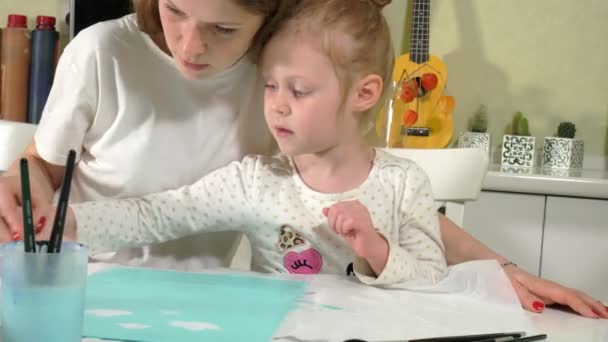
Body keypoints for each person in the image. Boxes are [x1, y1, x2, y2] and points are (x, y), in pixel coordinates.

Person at [0, 0, 605, 317]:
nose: (188, 45)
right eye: (174, 11)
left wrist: (500, 269)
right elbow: (160, 210)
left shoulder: (387, 169)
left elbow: (412, 233)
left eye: (222, 28)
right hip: (100, 293)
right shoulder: (107, 52)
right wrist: (63, 217)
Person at [38, 0, 447, 286]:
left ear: (365, 94)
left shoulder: (404, 184)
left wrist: (376, 249)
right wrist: (67, 223)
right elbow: (163, 212)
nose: (277, 107)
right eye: (269, 86)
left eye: (299, 91)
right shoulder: (256, 182)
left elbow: (432, 276)